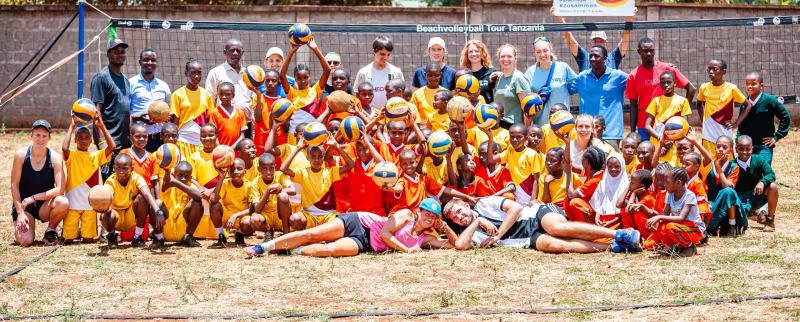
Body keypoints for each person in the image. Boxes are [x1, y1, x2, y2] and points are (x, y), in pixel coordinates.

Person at [245, 198, 455, 257]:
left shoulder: (424, 238)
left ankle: (291, 249)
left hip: (366, 243)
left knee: (330, 250)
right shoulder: (407, 214)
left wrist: (445, 226)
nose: (429, 218)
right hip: (360, 222)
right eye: (427, 213)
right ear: (420, 211)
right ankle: (264, 247)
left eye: (433, 217)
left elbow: (455, 246)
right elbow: (384, 233)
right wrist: (407, 250)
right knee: (312, 234)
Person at [445, 197, 642, 253]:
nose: (460, 217)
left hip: (536, 215)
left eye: (460, 211)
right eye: (455, 218)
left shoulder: (484, 203)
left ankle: (619, 234)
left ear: (465, 204)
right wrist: (478, 221)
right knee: (556, 245)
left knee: (557, 229)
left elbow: (515, 208)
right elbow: (460, 246)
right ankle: (615, 247)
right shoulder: (472, 232)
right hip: (526, 239)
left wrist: (498, 235)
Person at [11, 120, 69, 246]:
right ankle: (26, 224)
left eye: (44, 136)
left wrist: (34, 198)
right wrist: (20, 212)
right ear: (31, 136)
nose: (40, 139)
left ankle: (51, 231)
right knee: (26, 241)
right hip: (24, 206)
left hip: (44, 205)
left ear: (49, 138)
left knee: (63, 201)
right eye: (37, 135)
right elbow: (14, 185)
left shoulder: (55, 158)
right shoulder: (20, 155)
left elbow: (60, 189)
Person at [625, 37, 695, 141]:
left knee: (670, 156)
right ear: (639, 52)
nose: (649, 53)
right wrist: (632, 132)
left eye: (651, 50)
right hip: (645, 126)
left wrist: (681, 111)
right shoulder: (633, 76)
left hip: (669, 124)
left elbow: (691, 89)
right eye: (645, 51)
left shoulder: (667, 69)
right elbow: (633, 105)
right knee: (647, 155)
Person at [707, 135, 779, 234]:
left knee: (773, 187)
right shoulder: (731, 165)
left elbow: (771, 174)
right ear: (736, 149)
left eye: (748, 149)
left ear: (752, 149)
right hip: (740, 201)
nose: (744, 152)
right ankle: (738, 220)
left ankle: (770, 220)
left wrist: (762, 182)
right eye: (741, 149)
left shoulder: (758, 160)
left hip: (756, 196)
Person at [62, 113, 115, 243]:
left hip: (90, 205)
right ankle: (67, 231)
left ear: (91, 140)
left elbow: (112, 147)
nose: (83, 140)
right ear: (75, 140)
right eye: (80, 138)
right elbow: (64, 148)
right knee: (68, 240)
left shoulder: (96, 156)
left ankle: (82, 231)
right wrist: (72, 125)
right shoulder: (72, 156)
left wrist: (101, 126)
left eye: (86, 138)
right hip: (72, 204)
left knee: (88, 240)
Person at [282, 136, 355, 230]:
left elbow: (351, 164)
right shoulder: (302, 172)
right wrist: (298, 148)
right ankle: (309, 235)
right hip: (309, 215)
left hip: (328, 215)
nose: (317, 160)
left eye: (320, 156)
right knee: (294, 219)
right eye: (313, 157)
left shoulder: (330, 172)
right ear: (307, 157)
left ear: (323, 157)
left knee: (342, 224)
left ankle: (320, 235)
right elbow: (283, 169)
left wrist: (336, 146)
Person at [99, 153, 166, 249]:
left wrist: (158, 211)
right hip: (116, 217)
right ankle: (112, 236)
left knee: (142, 198)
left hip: (131, 217)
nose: (121, 172)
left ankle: (137, 237)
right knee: (107, 213)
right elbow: (106, 198)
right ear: (113, 168)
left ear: (132, 168)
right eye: (118, 168)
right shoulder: (110, 181)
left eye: (125, 168)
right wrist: (104, 210)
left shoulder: (136, 178)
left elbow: (147, 193)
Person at [567, 45, 628, 149]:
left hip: (611, 134)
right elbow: (566, 89)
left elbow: (637, 83)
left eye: (596, 56)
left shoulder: (618, 77)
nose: (592, 59)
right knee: (586, 164)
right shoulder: (582, 77)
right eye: (591, 56)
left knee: (610, 164)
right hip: (587, 133)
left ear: (605, 58)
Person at [91, 38, 131, 179]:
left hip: (124, 141)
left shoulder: (126, 80)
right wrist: (102, 142)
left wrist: (130, 134)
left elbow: (127, 110)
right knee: (110, 181)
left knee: (123, 181)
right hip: (109, 141)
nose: (120, 54)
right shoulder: (102, 77)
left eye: (122, 52)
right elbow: (97, 112)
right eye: (116, 52)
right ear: (108, 54)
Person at [644, 167, 705, 256]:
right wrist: (655, 223)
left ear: (678, 183)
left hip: (694, 229)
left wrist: (659, 217)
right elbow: (665, 215)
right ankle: (672, 247)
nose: (664, 184)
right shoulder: (669, 194)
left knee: (670, 226)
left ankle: (689, 247)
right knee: (651, 240)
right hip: (678, 227)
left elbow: (681, 218)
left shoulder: (689, 196)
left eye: (666, 182)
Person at [280, 38, 331, 144]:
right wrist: (291, 51)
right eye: (299, 78)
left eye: (305, 77)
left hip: (312, 135)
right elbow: (282, 75)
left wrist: (315, 49)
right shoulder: (291, 93)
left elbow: (327, 70)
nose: (302, 80)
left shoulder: (316, 90)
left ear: (310, 78)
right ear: (295, 78)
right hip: (293, 135)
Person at [555, 6, 635, 72]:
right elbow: (569, 37)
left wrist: (629, 17)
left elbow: (626, 38)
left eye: (601, 41)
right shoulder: (583, 56)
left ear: (606, 43)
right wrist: (559, 17)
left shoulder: (614, 56)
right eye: (596, 41)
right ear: (591, 43)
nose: (598, 44)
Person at [734, 72, 790, 166]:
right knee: (749, 174)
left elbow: (785, 116)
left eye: (753, 83)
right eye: (747, 84)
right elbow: (741, 125)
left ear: (761, 85)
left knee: (763, 171)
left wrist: (777, 137)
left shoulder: (770, 100)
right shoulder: (745, 104)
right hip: (747, 147)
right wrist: (738, 140)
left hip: (764, 146)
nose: (750, 86)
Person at [696, 59, 746, 155]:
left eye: (714, 69)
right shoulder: (704, 87)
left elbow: (747, 106)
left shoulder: (731, 88)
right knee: (709, 158)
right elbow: (699, 103)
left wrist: (736, 123)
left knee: (726, 157)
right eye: (709, 69)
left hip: (724, 129)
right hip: (708, 130)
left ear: (724, 72)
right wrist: (703, 121)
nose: (711, 72)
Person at [525, 37, 577, 127]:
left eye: (545, 51)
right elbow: (520, 89)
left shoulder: (563, 67)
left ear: (550, 50)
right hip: (540, 125)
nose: (542, 54)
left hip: (562, 123)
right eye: (538, 52)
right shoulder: (530, 72)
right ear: (534, 53)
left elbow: (578, 84)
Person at [643, 70, 691, 165]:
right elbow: (647, 126)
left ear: (675, 83)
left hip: (676, 144)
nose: (666, 85)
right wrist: (662, 139)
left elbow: (684, 127)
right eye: (663, 82)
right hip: (658, 141)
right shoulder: (655, 101)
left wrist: (669, 142)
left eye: (669, 82)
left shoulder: (683, 101)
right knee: (659, 171)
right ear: (660, 84)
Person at [169, 59, 214, 161]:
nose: (196, 76)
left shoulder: (207, 95)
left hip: (201, 143)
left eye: (199, 73)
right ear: (186, 73)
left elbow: (210, 122)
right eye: (193, 73)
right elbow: (175, 122)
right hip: (183, 142)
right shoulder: (177, 95)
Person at [129, 48, 172, 152]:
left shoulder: (163, 86)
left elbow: (169, 110)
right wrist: (140, 119)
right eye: (146, 59)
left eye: (153, 60)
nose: (149, 63)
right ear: (140, 62)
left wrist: (166, 116)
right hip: (140, 139)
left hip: (160, 139)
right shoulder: (130, 83)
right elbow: (125, 114)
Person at [205, 38, 253, 122]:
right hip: (224, 122)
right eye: (232, 50)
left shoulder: (249, 74)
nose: (235, 53)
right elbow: (210, 101)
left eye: (238, 51)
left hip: (247, 123)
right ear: (225, 52)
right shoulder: (215, 73)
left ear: (242, 53)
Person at [158, 161, 204, 248]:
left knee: (197, 203)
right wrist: (168, 172)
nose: (183, 178)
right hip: (167, 223)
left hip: (182, 225)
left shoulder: (190, 185)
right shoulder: (169, 184)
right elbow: (165, 182)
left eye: (186, 176)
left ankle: (188, 236)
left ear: (190, 178)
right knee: (158, 203)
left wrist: (177, 184)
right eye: (180, 175)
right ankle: (158, 238)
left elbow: (198, 197)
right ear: (174, 174)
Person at [354, 36, 405, 109]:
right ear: (374, 52)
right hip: (370, 116)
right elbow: (357, 96)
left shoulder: (396, 71)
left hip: (391, 114)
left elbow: (402, 95)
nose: (386, 57)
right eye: (382, 54)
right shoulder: (363, 72)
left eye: (388, 54)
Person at [491, 44, 532, 128]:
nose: (506, 59)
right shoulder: (499, 78)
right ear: (499, 59)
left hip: (514, 127)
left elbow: (527, 109)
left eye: (509, 56)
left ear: (515, 58)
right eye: (503, 56)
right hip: (499, 125)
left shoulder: (519, 78)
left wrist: (527, 131)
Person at [209, 82, 248, 148]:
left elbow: (242, 135)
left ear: (233, 95)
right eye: (221, 94)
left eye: (227, 94)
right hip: (220, 151)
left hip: (236, 151)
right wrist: (221, 149)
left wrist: (231, 149)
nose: (224, 97)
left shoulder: (240, 113)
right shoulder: (214, 113)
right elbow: (214, 134)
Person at [411, 62, 446, 127]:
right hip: (423, 131)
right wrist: (420, 126)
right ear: (425, 75)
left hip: (442, 129)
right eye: (430, 75)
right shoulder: (417, 94)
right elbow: (413, 113)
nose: (433, 78)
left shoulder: (446, 93)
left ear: (441, 75)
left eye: (436, 75)